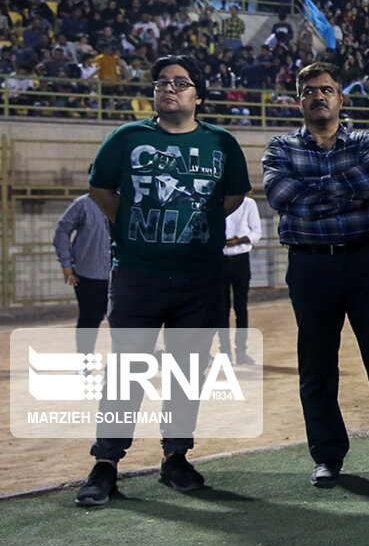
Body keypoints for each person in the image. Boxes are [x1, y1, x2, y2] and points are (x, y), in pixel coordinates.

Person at [74, 55, 251, 507]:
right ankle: (106, 463)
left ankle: (176, 458)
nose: (169, 88)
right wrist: (137, 226)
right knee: (126, 370)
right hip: (137, 274)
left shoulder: (221, 142)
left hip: (200, 277)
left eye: (180, 83)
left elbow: (232, 196)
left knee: (186, 371)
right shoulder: (128, 138)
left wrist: (194, 225)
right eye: (162, 83)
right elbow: (101, 190)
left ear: (199, 96)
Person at [262, 61, 369, 490]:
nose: (318, 97)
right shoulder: (279, 147)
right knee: (317, 365)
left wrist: (312, 196)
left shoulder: (365, 140)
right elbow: (279, 194)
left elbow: (367, 181)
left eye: (326, 89)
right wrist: (339, 192)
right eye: (309, 91)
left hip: (364, 263)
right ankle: (327, 456)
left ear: (341, 98)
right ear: (298, 100)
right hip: (309, 264)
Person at [52, 192, 111, 356]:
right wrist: (66, 263)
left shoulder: (125, 202)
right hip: (89, 275)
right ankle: (85, 363)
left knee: (123, 323)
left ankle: (121, 368)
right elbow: (62, 231)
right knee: (89, 320)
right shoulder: (83, 204)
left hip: (120, 276)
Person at [220, 196, 262, 365]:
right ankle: (225, 352)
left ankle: (241, 351)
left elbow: (256, 232)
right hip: (220, 259)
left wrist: (239, 240)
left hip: (240, 258)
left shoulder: (248, 204)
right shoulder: (217, 201)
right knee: (221, 309)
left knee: (241, 308)